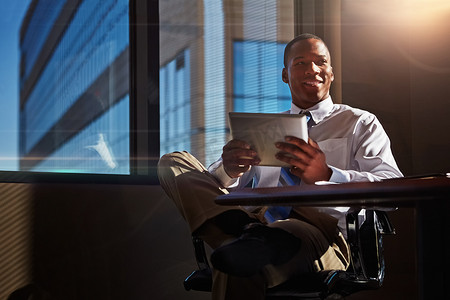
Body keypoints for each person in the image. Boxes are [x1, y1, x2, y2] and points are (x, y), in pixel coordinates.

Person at [157, 33, 403, 300]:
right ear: (285, 75)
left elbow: (391, 191)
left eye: (321, 62)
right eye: (300, 63)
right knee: (173, 163)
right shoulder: (262, 127)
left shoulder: (360, 123)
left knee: (238, 259)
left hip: (321, 232)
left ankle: (248, 236)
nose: (312, 69)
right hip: (257, 222)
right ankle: (247, 231)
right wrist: (230, 169)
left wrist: (329, 175)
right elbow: (214, 185)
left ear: (331, 73)